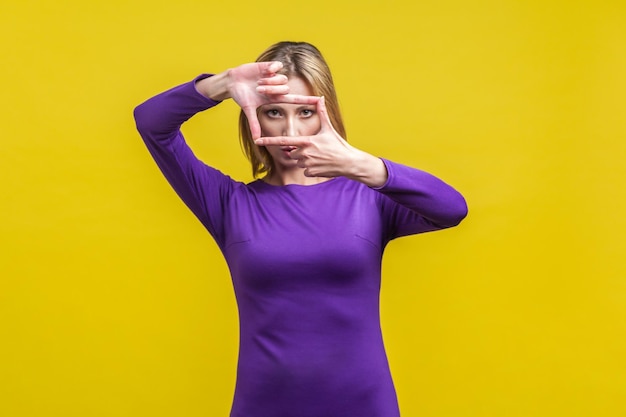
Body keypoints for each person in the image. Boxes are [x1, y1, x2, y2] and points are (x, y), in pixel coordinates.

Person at [134, 41, 468, 417]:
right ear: (252, 115)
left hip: (363, 404)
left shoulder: (369, 198)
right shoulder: (229, 204)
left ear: (327, 114)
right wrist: (223, 84)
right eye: (274, 111)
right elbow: (150, 122)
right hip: (263, 406)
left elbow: (451, 209)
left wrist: (361, 165)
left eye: (306, 111)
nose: (290, 131)